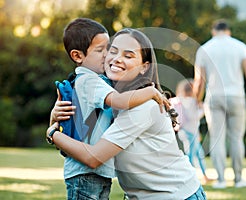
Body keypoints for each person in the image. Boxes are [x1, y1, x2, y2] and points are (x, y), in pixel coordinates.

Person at [47, 28, 206, 200]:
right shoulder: (108, 101)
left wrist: (51, 133)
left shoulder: (143, 107)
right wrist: (57, 117)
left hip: (176, 195)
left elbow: (93, 157)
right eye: (113, 51)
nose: (117, 59)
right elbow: (78, 140)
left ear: (144, 67)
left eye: (128, 56)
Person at [193, 19, 246, 189]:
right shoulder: (240, 46)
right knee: (236, 138)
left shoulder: (205, 48)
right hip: (237, 97)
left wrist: (197, 100)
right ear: (228, 31)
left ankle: (220, 180)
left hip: (214, 97)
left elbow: (199, 82)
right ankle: (239, 179)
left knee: (217, 139)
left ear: (213, 31)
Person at [170, 79, 212, 184]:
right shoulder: (191, 101)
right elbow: (193, 117)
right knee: (191, 155)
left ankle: (204, 176)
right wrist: (203, 110)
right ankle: (188, 177)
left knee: (198, 154)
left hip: (184, 132)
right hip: (190, 132)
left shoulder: (181, 100)